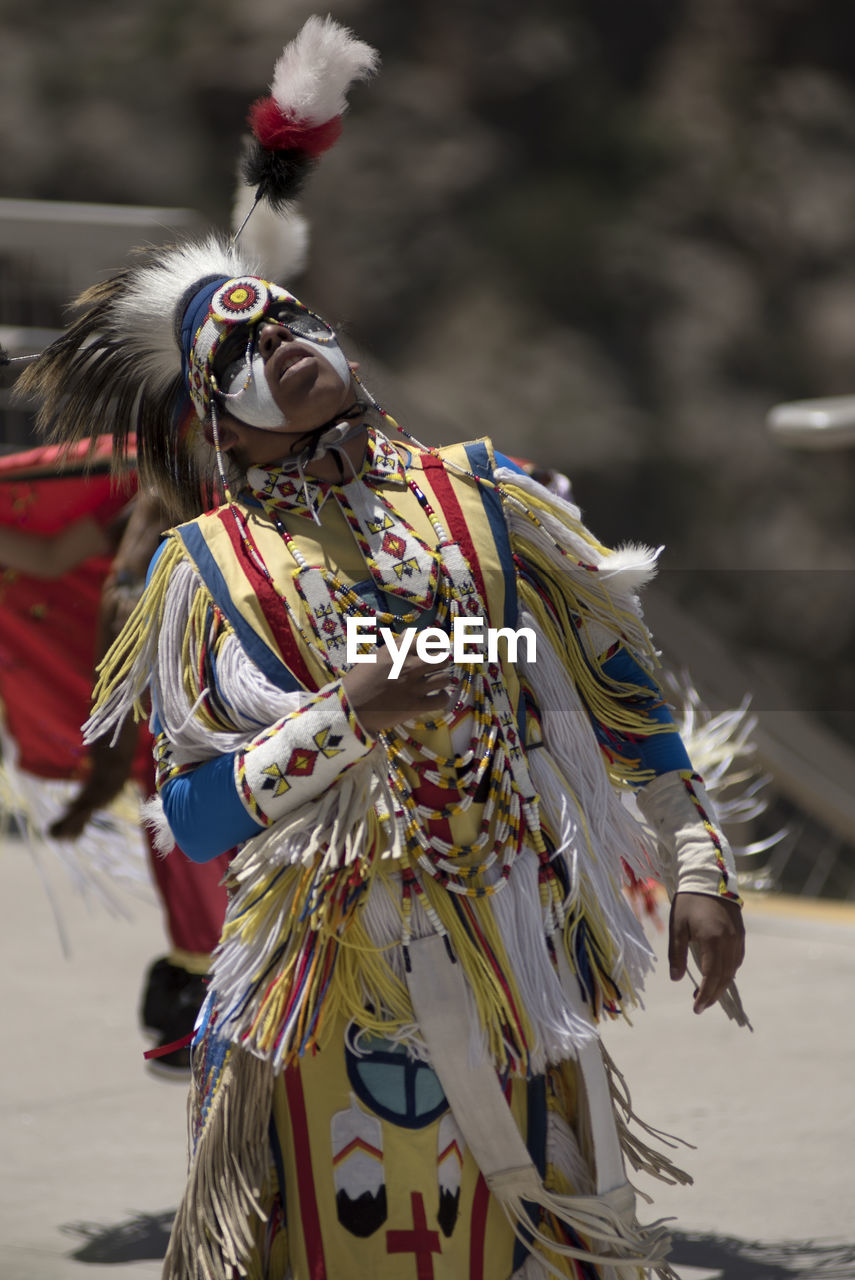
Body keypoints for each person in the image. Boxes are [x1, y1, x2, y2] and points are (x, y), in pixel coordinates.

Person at [17, 16, 746, 1279]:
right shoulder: (207, 573)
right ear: (223, 432)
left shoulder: (485, 494)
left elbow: (611, 675)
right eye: (237, 347)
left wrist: (694, 854)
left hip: (516, 947)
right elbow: (192, 815)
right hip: (318, 988)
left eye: (289, 314)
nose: (278, 336)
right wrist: (345, 715)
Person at [0, 437, 229, 1072]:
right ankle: (213, 1005)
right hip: (179, 725)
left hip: (271, 712)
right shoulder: (141, 499)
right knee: (190, 861)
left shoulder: (280, 488)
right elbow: (48, 556)